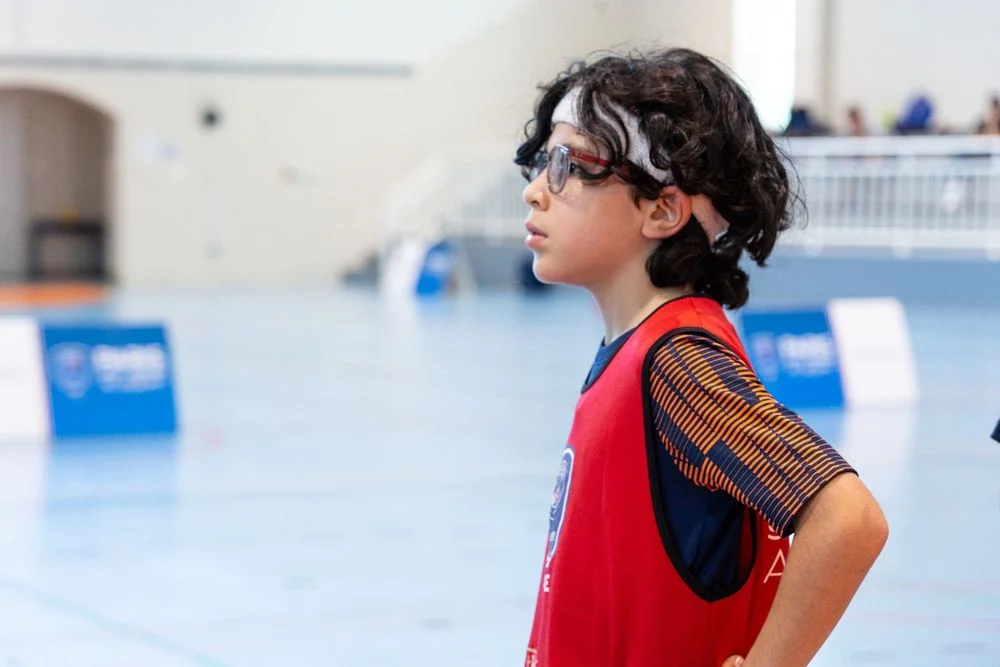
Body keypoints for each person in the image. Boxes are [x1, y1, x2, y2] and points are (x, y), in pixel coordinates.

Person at [514, 48, 889, 667]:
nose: (535, 192)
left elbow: (848, 518)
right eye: (541, 163)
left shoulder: (678, 362)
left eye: (569, 166)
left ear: (663, 209)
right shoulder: (636, 348)